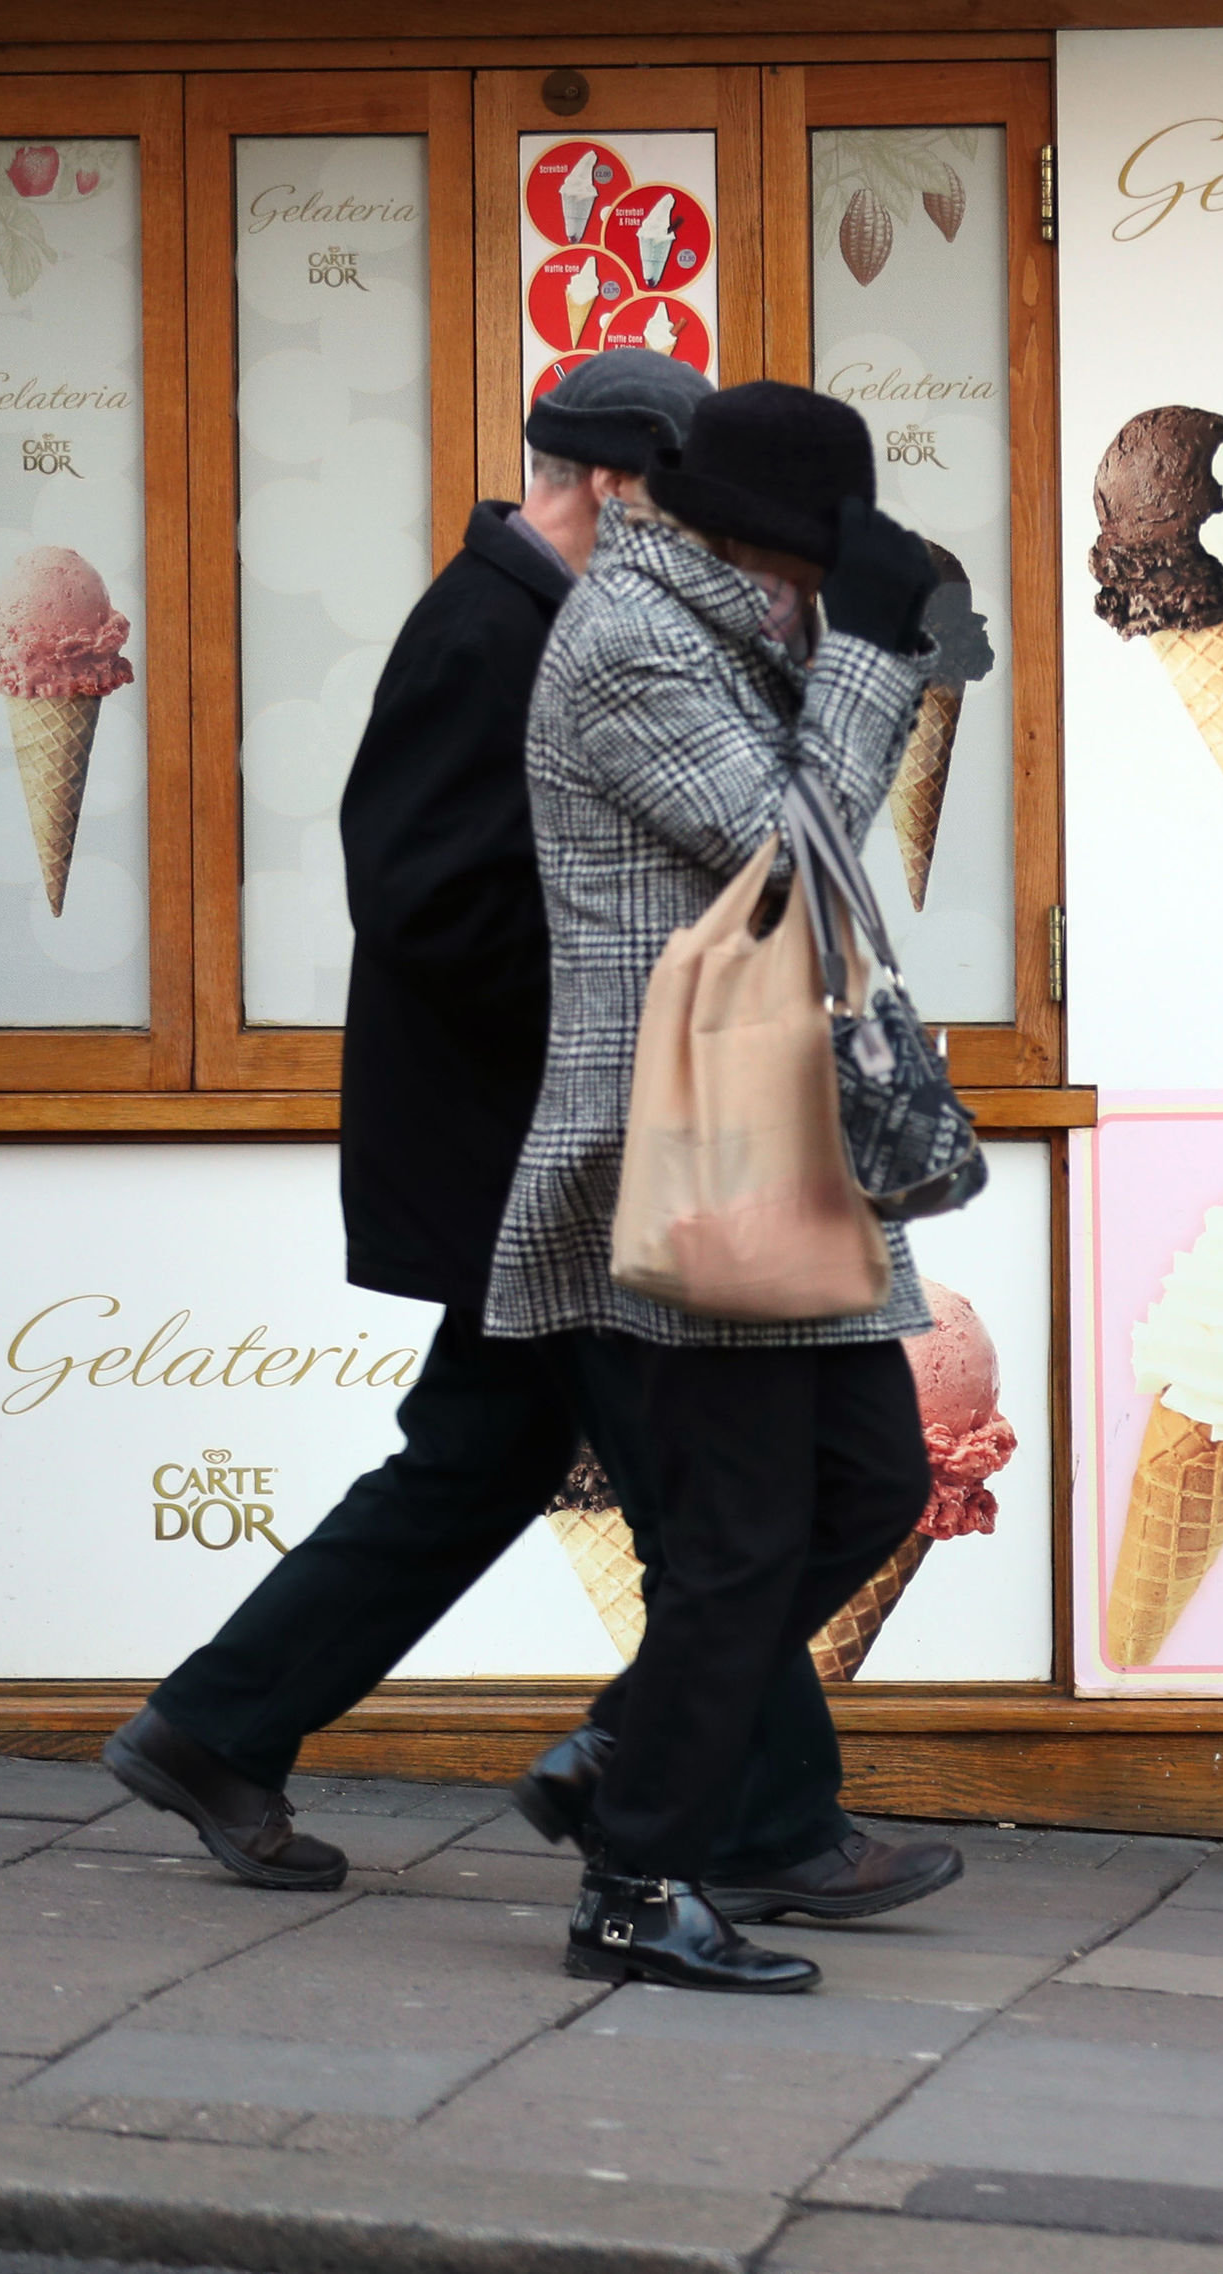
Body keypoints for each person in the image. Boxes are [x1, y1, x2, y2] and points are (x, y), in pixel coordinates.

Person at [101, 353, 961, 1946]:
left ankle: (232, 1729)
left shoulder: (619, 618)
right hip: (579, 1145)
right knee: (716, 1511)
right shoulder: (516, 621)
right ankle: (714, 1822)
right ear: (624, 482)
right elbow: (429, 895)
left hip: (622, 1139)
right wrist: (610, 1046)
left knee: (537, 1472)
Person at [491, 381, 950, 1994]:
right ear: (758, 540)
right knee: (745, 1534)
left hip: (775, 1131)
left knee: (868, 1484)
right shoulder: (631, 638)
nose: (833, 587)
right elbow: (794, 851)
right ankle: (633, 1880)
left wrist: (858, 646)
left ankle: (632, 1747)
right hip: (690, 1149)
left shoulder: (726, 620)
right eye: (821, 559)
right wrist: (877, 659)